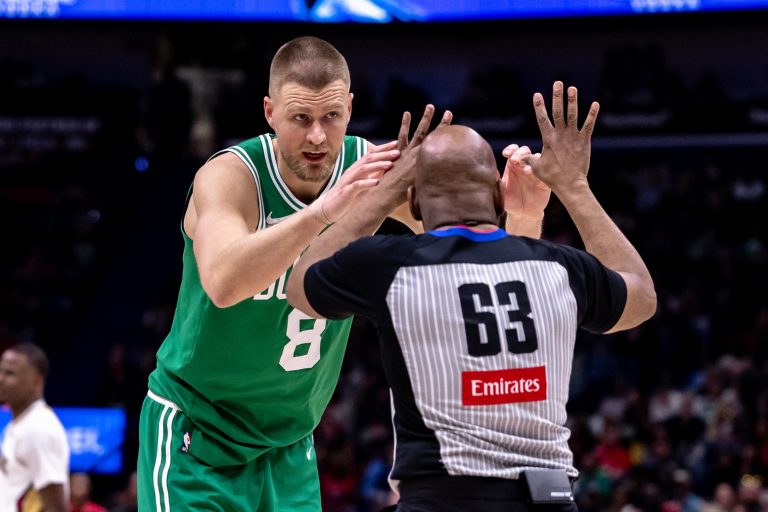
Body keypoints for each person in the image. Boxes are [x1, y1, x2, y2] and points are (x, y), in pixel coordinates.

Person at [286, 82, 657, 511]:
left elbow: (302, 284)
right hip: (548, 497)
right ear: (498, 195)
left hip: (442, 498)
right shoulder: (557, 267)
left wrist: (388, 190)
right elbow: (641, 295)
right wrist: (572, 186)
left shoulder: (391, 267)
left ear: (417, 206)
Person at [135, 35, 465, 511]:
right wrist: (324, 213)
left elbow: (472, 237)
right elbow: (224, 283)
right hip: (198, 433)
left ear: (350, 109)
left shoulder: (366, 166)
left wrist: (524, 207)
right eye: (300, 118)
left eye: (331, 117)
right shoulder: (232, 176)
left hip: (289, 442)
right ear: (269, 112)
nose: (316, 136)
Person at [0, 342, 70, 512]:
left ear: (36, 382)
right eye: (0, 371)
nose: (1, 379)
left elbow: (56, 507)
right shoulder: (21, 423)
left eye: (10, 374)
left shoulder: (38, 428)